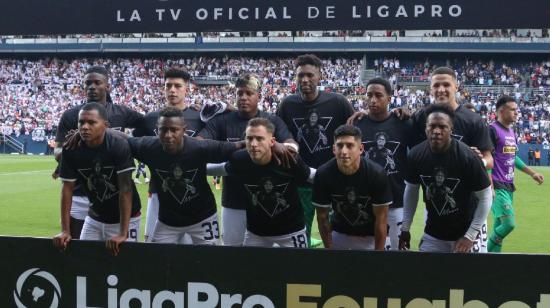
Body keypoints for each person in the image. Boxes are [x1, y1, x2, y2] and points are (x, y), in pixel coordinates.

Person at [198, 74, 296, 246]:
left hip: (266, 201)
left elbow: (292, 146)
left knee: (264, 259)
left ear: (259, 95)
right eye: (239, 93)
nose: (243, 97)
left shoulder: (271, 120)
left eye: (248, 93)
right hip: (234, 201)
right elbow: (199, 143)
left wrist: (278, 145)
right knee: (232, 253)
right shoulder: (222, 121)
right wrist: (233, 147)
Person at [128, 107, 245, 245]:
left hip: (203, 218)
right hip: (168, 221)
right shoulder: (149, 147)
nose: (168, 135)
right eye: (163, 129)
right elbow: (124, 140)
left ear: (184, 130)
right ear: (157, 129)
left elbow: (238, 146)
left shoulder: (200, 148)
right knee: (158, 260)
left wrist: (275, 146)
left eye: (174, 130)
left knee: (211, 260)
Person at [54, 66, 144, 240]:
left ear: (107, 86)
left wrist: (125, 139)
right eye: (88, 83)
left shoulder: (122, 112)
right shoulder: (71, 115)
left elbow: (147, 125)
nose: (92, 87)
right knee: (77, 247)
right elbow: (58, 150)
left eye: (97, 83)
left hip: (113, 188)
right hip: (81, 191)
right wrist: (68, 152)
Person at [277, 54, 355, 246]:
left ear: (320, 76)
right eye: (300, 75)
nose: (305, 79)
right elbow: (275, 131)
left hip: (332, 182)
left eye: (310, 75)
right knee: (298, 235)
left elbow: (356, 131)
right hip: (299, 182)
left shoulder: (338, 102)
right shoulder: (287, 104)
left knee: (337, 234)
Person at [399, 104, 492, 253]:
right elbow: (411, 191)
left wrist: (470, 236)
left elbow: (486, 196)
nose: (436, 131)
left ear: (451, 129)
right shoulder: (415, 155)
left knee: (470, 275)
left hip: (466, 231)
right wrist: (405, 228)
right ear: (425, 128)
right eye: (432, 126)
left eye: (442, 127)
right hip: (434, 233)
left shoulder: (467, 156)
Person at [53, 102, 141, 256]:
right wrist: (65, 231)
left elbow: (125, 189)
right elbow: (67, 189)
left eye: (91, 122)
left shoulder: (118, 145)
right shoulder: (71, 148)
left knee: (125, 266)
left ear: (105, 125)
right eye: (81, 122)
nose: (85, 127)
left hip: (126, 218)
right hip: (95, 217)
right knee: (85, 261)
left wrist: (122, 232)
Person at [210, 118, 311, 248]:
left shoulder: (289, 159)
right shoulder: (240, 159)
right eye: (249, 138)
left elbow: (312, 176)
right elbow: (220, 169)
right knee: (251, 268)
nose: (253, 144)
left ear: (272, 142)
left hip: (291, 232)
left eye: (259, 139)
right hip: (256, 234)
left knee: (297, 267)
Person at [132, 68, 206, 242]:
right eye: (168, 86)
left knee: (191, 255)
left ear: (187, 89)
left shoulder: (200, 117)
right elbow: (131, 142)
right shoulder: (150, 118)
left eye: (178, 86)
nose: (172, 90)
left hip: (193, 195)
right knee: (156, 252)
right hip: (159, 192)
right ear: (163, 89)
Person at [354, 78, 413, 250]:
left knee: (398, 255)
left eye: (378, 95)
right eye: (369, 95)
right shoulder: (357, 123)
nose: (373, 100)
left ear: (389, 98)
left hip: (397, 201)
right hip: (366, 201)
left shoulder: (403, 123)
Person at [313, 125, 392, 250]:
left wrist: (378, 255)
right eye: (339, 145)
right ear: (334, 149)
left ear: (360, 149)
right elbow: (322, 218)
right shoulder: (323, 174)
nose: (344, 151)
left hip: (371, 235)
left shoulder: (376, 174)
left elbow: (381, 219)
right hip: (339, 233)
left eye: (350, 146)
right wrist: (329, 250)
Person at [487, 96, 544, 252]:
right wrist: (490, 186)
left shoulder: (511, 132)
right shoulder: (492, 130)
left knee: (498, 226)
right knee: (508, 224)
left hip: (509, 185)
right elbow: (487, 159)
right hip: (497, 185)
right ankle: (481, 253)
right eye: (512, 109)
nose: (516, 113)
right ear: (501, 111)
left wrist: (532, 173)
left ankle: (492, 264)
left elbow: (513, 157)